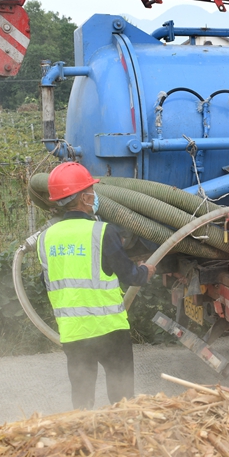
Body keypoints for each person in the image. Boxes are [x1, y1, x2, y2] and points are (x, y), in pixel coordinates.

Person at [39, 162, 152, 409]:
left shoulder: (46, 238)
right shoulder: (102, 232)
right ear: (83, 198)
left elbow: (46, 280)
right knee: (121, 399)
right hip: (109, 330)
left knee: (82, 400)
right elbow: (130, 275)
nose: (94, 196)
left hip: (72, 332)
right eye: (90, 191)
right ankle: (122, 439)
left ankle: (84, 441)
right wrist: (146, 270)